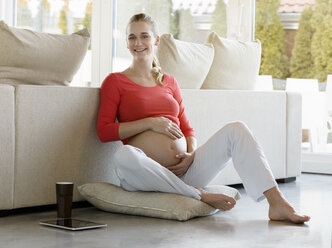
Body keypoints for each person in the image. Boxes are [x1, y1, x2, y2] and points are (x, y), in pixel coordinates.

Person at [97, 13, 310, 224]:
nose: (138, 42)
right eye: (132, 37)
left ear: (156, 40)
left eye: (144, 36)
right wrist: (151, 123)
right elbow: (104, 131)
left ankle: (277, 202)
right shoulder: (115, 82)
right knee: (123, 156)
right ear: (126, 43)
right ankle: (200, 195)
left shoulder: (169, 82)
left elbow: (188, 129)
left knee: (237, 129)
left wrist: (191, 153)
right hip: (147, 177)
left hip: (186, 171)